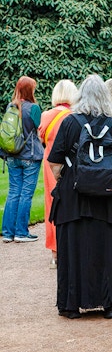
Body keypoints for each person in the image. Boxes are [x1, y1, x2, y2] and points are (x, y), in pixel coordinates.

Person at [48, 75, 112, 319]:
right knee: (108, 249)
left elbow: (55, 163)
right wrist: (110, 184)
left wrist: (72, 182)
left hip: (74, 200)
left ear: (80, 96)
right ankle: (109, 304)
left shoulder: (69, 123)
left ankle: (71, 305)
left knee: (73, 249)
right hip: (108, 201)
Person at [38, 79, 78, 268]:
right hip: (70, 163)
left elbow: (42, 138)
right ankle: (70, 248)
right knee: (71, 204)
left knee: (51, 205)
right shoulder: (74, 116)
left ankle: (55, 252)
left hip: (50, 163)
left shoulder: (46, 115)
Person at [1, 76, 44, 244]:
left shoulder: (11, 106)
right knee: (26, 194)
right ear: (29, 90)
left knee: (13, 193)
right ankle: (21, 232)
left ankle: (7, 233)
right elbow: (39, 130)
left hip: (12, 155)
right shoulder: (33, 108)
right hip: (30, 156)